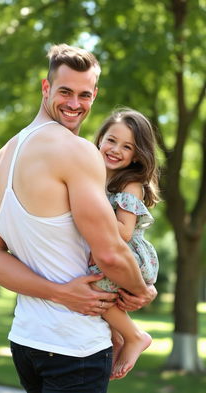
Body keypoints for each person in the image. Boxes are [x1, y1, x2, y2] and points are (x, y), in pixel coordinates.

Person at [0, 44, 157, 393]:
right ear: (46, 88)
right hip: (76, 345)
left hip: (26, 339)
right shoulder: (76, 151)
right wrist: (140, 291)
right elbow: (109, 253)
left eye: (84, 95)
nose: (75, 104)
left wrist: (58, 293)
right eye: (65, 92)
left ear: (95, 95)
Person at [89, 107, 160, 379]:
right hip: (112, 250)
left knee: (96, 288)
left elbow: (124, 232)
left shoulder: (130, 184)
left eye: (127, 146)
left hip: (130, 255)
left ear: (137, 155)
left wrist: (93, 210)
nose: (116, 149)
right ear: (100, 140)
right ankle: (117, 339)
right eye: (111, 140)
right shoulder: (95, 177)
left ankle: (135, 336)